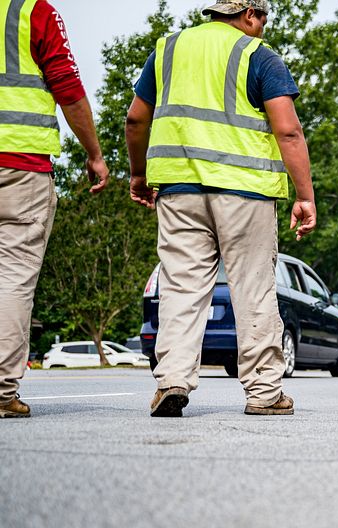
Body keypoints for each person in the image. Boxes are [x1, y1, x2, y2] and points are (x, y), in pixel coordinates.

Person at [125, 0, 317, 418]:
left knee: (180, 288)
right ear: (249, 13)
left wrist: (138, 174)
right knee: (253, 288)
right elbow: (288, 130)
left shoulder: (167, 50)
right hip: (244, 191)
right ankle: (264, 393)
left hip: (178, 191)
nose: (263, 26)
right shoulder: (259, 57)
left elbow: (136, 120)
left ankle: (172, 379)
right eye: (263, 17)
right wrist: (305, 195)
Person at [0, 0, 109, 419]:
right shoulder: (33, 12)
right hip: (20, 164)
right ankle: (1, 389)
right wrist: (94, 153)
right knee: (12, 277)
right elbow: (66, 84)